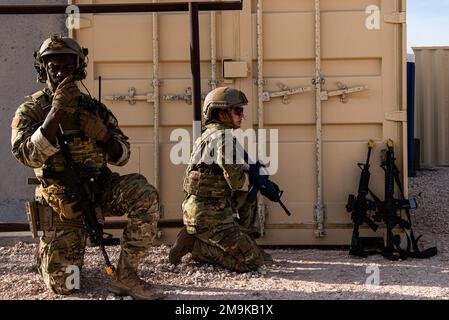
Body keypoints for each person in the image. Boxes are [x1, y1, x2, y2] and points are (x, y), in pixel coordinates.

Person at [10, 35, 163, 300]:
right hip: (62, 203)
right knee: (67, 285)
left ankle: (125, 275)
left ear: (78, 69)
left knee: (144, 194)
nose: (59, 74)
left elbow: (123, 155)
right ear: (42, 69)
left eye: (67, 68)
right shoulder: (32, 110)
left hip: (98, 189)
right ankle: (46, 255)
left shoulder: (94, 109)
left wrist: (103, 136)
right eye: (53, 67)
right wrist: (56, 112)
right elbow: (27, 155)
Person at [169, 86, 272, 272]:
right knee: (253, 264)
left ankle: (237, 240)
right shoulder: (223, 139)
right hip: (210, 215)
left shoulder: (206, 136)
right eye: (237, 111)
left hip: (199, 209)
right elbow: (236, 182)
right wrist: (254, 177)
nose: (242, 116)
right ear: (222, 113)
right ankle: (198, 248)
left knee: (249, 195)